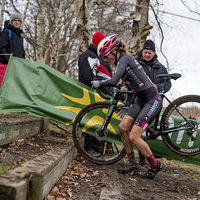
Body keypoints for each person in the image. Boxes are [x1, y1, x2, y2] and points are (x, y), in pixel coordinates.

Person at [92, 34, 163, 179]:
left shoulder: (125, 59)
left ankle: (155, 164)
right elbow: (131, 86)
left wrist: (99, 83)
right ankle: (132, 162)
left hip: (152, 100)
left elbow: (114, 80)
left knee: (134, 136)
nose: (105, 60)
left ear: (114, 50)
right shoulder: (122, 63)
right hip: (140, 101)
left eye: (106, 56)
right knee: (123, 127)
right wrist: (126, 105)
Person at [78, 32, 112, 153]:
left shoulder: (103, 58)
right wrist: (100, 83)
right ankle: (88, 146)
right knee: (90, 119)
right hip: (90, 93)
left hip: (103, 94)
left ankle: (98, 144)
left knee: (100, 120)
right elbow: (86, 75)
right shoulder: (86, 56)